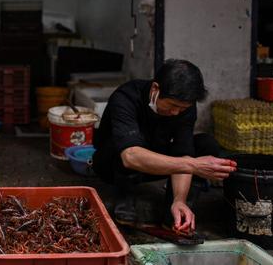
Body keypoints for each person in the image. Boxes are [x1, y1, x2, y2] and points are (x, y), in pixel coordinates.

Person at [92, 59, 237, 233]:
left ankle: (177, 213)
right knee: (130, 145)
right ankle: (126, 200)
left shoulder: (185, 106)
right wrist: (195, 166)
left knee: (206, 144)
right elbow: (130, 156)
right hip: (114, 164)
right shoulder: (126, 97)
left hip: (154, 162)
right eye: (173, 105)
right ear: (155, 89)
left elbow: (183, 153)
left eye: (182, 109)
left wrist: (179, 199)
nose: (176, 112)